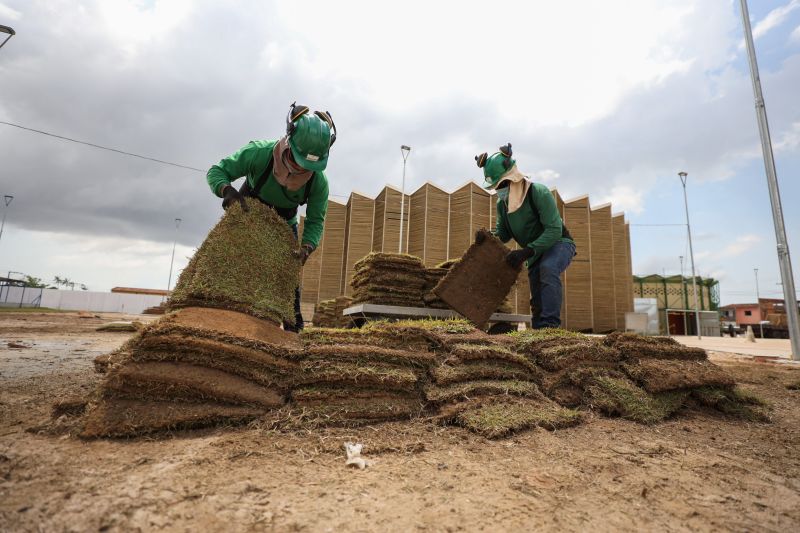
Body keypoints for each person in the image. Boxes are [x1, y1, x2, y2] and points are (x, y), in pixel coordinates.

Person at [206, 102, 334, 331]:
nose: (300, 170)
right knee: (228, 272)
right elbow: (217, 171)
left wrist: (307, 246)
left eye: (307, 167)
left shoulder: (318, 182)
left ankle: (293, 333)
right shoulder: (258, 153)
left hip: (285, 225)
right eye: (297, 160)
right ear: (289, 141)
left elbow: (316, 220)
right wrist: (226, 190)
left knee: (288, 287)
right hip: (247, 215)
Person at [474, 143, 575, 329]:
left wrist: (526, 252)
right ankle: (538, 331)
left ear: (513, 179)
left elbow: (553, 230)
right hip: (534, 251)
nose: (499, 190)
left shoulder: (538, 193)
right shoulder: (502, 205)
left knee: (548, 268)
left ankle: (550, 327)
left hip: (559, 243)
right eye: (496, 187)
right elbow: (503, 234)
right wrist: (487, 236)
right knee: (536, 288)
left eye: (502, 185)